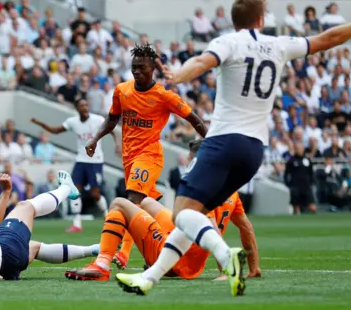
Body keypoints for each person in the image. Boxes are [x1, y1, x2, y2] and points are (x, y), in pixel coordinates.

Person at [116, 0, 351, 297]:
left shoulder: (229, 42)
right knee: (194, 215)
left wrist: (179, 74)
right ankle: (149, 278)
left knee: (180, 214)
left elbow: (201, 61)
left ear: (233, 20)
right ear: (261, 19)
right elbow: (328, 38)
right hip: (253, 152)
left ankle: (226, 257)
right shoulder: (278, 45)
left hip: (224, 141)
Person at [65, 139, 260, 282]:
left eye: (192, 161)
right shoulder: (231, 191)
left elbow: (209, 227)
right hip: (191, 255)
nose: (189, 165)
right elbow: (246, 229)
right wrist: (254, 267)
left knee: (118, 203)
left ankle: (102, 264)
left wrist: (225, 271)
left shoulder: (200, 187)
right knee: (146, 202)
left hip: (175, 260)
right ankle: (123, 250)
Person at [85, 43, 207, 269]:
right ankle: (175, 244)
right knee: (148, 207)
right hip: (129, 159)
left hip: (149, 156)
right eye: (134, 67)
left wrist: (212, 145)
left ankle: (119, 254)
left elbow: (194, 119)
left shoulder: (163, 96)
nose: (136, 71)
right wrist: (95, 139)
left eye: (142, 67)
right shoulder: (122, 90)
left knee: (131, 202)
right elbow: (112, 119)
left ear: (153, 69)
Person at [31, 98, 120, 233]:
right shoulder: (73, 122)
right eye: (82, 106)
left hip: (95, 161)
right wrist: (39, 123)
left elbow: (112, 129)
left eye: (86, 105)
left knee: (95, 193)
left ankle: (107, 216)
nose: (85, 107)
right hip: (81, 160)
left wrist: (118, 144)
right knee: (74, 191)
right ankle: (77, 224)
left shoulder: (97, 119)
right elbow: (55, 130)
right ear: (77, 109)